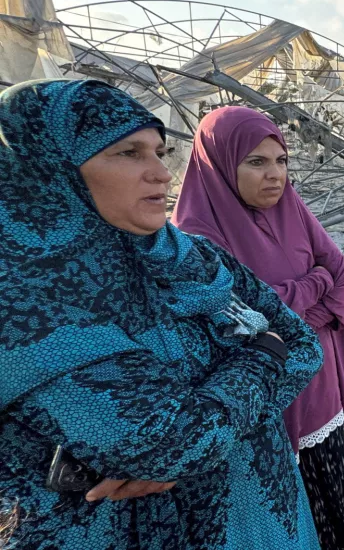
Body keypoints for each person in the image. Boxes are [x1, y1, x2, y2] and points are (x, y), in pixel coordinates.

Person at [0, 80, 323, 547]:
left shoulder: (188, 255)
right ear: (50, 166)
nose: (161, 174)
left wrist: (199, 435)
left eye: (159, 151)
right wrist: (266, 353)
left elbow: (305, 346)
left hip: (257, 515)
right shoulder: (28, 296)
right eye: (129, 153)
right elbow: (172, 442)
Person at [173, 107, 344, 550]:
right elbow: (244, 320)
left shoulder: (291, 207)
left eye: (281, 160)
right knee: (292, 520)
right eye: (256, 162)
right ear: (220, 163)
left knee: (335, 507)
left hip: (322, 393)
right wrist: (315, 284)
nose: (275, 174)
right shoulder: (197, 236)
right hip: (270, 414)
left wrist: (296, 311)